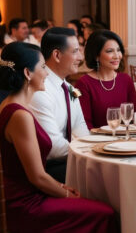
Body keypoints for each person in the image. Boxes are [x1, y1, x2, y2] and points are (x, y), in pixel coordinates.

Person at [0, 42, 118, 232]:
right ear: (27, 73)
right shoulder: (20, 115)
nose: (47, 73)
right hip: (25, 206)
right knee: (106, 213)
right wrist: (67, 194)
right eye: (42, 67)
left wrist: (61, 186)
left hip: (18, 196)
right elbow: (38, 177)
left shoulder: (8, 105)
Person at [29, 27, 89, 183]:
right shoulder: (40, 89)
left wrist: (91, 148)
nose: (80, 57)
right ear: (56, 55)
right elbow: (54, 148)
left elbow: (80, 127)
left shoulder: (69, 88)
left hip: (66, 160)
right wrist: (89, 151)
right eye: (75, 51)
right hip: (47, 169)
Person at [75, 30, 136, 129]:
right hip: (96, 141)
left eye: (118, 50)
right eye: (110, 51)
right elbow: (85, 123)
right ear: (96, 56)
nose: (117, 56)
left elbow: (134, 117)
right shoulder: (84, 84)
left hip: (125, 140)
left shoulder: (126, 80)